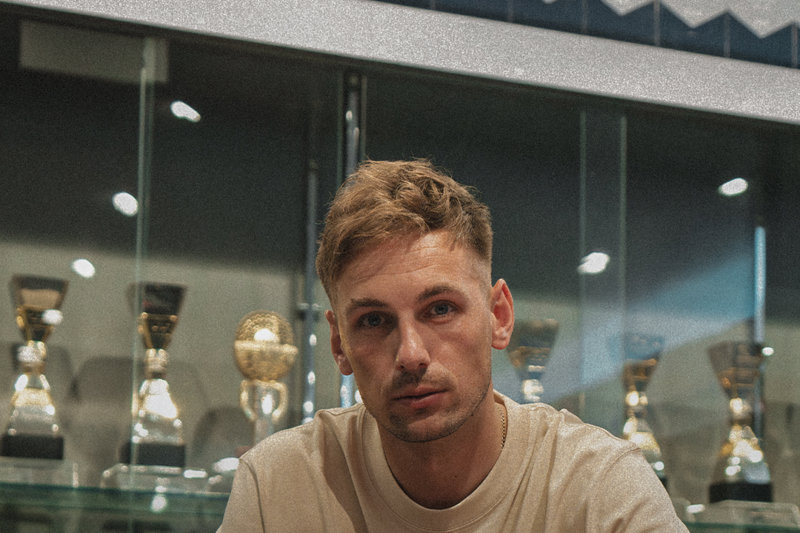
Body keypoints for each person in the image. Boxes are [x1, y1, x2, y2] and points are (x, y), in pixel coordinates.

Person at [218, 159, 688, 532]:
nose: (411, 355)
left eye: (440, 309)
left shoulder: (602, 490)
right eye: (374, 320)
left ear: (498, 317)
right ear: (339, 343)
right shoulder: (277, 488)